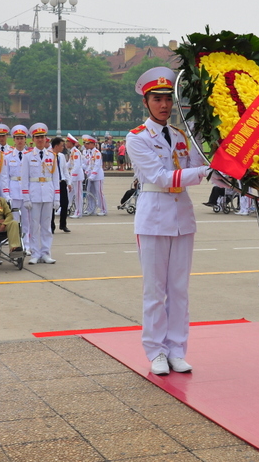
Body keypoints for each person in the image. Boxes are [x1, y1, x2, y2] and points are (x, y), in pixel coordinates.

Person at [126, 66, 210, 375]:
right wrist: (202, 173)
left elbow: (197, 166)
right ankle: (156, 350)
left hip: (182, 218)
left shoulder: (178, 135)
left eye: (167, 99)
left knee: (179, 288)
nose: (164, 105)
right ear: (145, 102)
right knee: (154, 290)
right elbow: (160, 177)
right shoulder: (137, 138)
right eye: (157, 98)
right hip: (154, 218)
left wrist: (202, 135)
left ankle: (177, 348)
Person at [22, 123, 59, 265]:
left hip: (48, 192)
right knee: (34, 225)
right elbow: (24, 178)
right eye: (37, 137)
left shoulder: (52, 155)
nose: (40, 139)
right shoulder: (28, 156)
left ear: (46, 138)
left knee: (46, 225)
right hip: (34, 193)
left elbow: (55, 177)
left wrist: (57, 197)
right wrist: (26, 197)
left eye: (42, 137)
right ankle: (35, 253)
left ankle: (46, 252)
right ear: (33, 139)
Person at [7, 125, 30, 250]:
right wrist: (6, 193)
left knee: (27, 222)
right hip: (14, 190)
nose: (20, 140)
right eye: (17, 138)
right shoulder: (8, 156)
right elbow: (5, 176)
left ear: (25, 139)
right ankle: (15, 245)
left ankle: (26, 245)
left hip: (26, 192)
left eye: (22, 138)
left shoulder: (30, 155)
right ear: (14, 140)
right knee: (14, 221)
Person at [83, 135, 107, 216]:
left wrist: (92, 175)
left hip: (97, 176)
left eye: (88, 143)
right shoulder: (90, 152)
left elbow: (97, 166)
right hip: (91, 175)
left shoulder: (97, 153)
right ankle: (91, 209)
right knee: (90, 193)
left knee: (99, 193)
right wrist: (87, 172)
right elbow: (90, 164)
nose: (87, 145)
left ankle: (103, 209)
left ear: (93, 144)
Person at [49, 136, 69, 233]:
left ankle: (63, 224)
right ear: (56, 146)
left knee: (65, 204)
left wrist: (68, 182)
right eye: (61, 145)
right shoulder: (48, 155)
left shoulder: (61, 156)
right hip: (52, 183)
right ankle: (51, 226)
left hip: (62, 182)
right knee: (52, 205)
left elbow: (65, 170)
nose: (63, 147)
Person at [66, 133, 85, 219]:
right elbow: (69, 164)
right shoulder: (72, 152)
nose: (66, 144)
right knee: (70, 193)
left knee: (78, 195)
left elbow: (76, 166)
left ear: (71, 143)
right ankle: (67, 208)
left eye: (67, 142)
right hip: (73, 176)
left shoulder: (76, 152)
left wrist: (71, 177)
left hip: (77, 176)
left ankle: (78, 212)